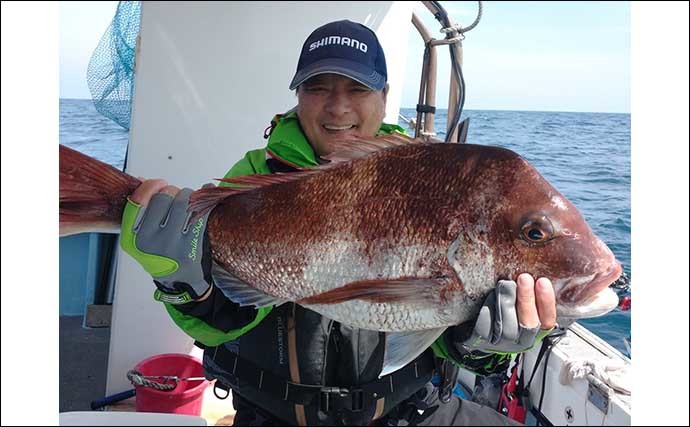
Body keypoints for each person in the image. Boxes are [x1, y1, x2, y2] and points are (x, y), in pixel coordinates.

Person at [120, 20, 557, 426]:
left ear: (384, 97)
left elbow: (440, 335)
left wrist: (484, 347)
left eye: (357, 88)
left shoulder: (426, 176)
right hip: (273, 414)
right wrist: (186, 287)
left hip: (409, 411)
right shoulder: (257, 175)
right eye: (318, 87)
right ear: (298, 96)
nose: (338, 106)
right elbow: (226, 321)